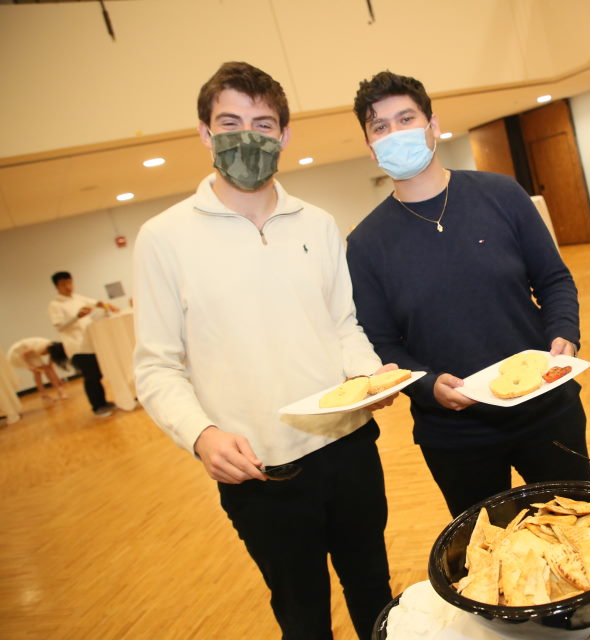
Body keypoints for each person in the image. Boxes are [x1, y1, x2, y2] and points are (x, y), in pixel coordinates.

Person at [132, 61, 394, 640]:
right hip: (260, 472)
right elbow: (155, 366)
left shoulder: (319, 223)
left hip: (347, 447)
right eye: (230, 122)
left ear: (284, 135)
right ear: (204, 133)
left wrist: (370, 375)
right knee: (301, 614)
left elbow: (343, 324)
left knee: (375, 593)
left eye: (264, 122)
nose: (248, 136)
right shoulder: (164, 238)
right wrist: (201, 434)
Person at [347, 71, 590, 519]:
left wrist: (564, 333)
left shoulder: (500, 194)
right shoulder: (365, 244)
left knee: (582, 529)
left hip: (545, 407)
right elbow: (383, 342)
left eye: (406, 118)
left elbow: (554, 279)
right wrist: (425, 385)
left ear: (433, 125)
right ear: (370, 146)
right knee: (489, 560)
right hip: (455, 435)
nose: (395, 133)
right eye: (380, 127)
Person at [48, 271, 118, 416]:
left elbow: (96, 303)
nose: (68, 286)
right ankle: (97, 407)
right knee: (91, 375)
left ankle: (103, 402)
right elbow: (59, 325)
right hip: (76, 346)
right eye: (63, 284)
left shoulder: (78, 298)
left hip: (90, 342)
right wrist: (76, 317)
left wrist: (108, 306)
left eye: (69, 282)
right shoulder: (55, 305)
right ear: (57, 287)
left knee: (97, 374)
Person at [7, 337, 69, 402]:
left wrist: (58, 380)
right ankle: (44, 396)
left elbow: (50, 367)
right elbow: (22, 354)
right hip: (17, 352)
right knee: (37, 372)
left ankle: (60, 391)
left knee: (45, 369)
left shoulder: (52, 348)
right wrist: (29, 366)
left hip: (28, 352)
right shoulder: (40, 348)